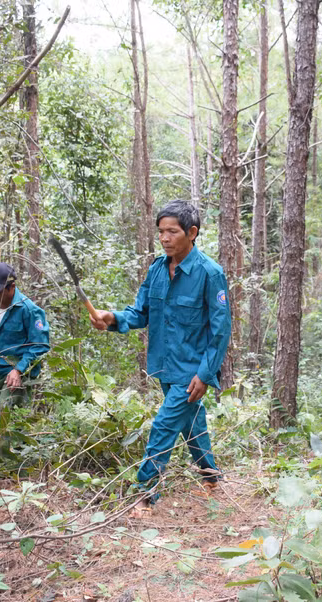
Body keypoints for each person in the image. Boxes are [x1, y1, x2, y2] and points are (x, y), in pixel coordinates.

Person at [90, 200, 231, 513]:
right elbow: (140, 313)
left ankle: (144, 493)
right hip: (165, 366)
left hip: (192, 371)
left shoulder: (210, 273)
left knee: (164, 425)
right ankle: (210, 477)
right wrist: (110, 318)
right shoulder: (156, 269)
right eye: (161, 232)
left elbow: (221, 331)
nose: (165, 238)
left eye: (173, 232)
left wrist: (205, 374)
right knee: (191, 424)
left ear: (192, 233)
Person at [0, 262, 50, 406]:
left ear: (12, 287)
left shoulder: (29, 310)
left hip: (19, 372)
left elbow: (40, 346)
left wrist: (18, 370)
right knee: (7, 421)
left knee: (3, 415)